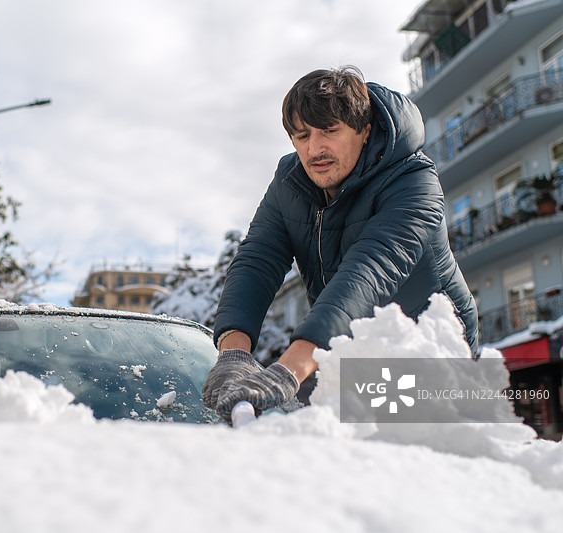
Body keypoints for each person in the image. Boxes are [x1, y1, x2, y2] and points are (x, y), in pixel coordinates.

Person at [203, 66, 478, 423]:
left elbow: (368, 272)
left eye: (329, 131)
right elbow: (258, 259)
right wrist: (233, 354)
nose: (315, 148)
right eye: (301, 136)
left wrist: (292, 367)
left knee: (400, 457)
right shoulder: (290, 183)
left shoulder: (414, 182)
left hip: (431, 351)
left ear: (364, 130)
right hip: (343, 344)